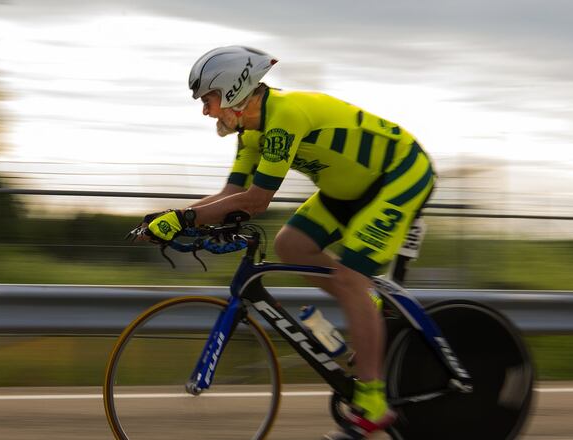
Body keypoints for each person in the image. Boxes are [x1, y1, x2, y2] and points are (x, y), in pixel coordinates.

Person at [140, 45, 435, 440]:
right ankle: (366, 301)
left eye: (207, 99)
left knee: (349, 275)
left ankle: (374, 403)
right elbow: (230, 193)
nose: (206, 111)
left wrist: (185, 219)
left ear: (232, 89)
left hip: (399, 175)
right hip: (346, 191)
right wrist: (172, 220)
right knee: (291, 245)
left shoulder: (284, 117)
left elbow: (255, 201)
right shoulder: (252, 134)